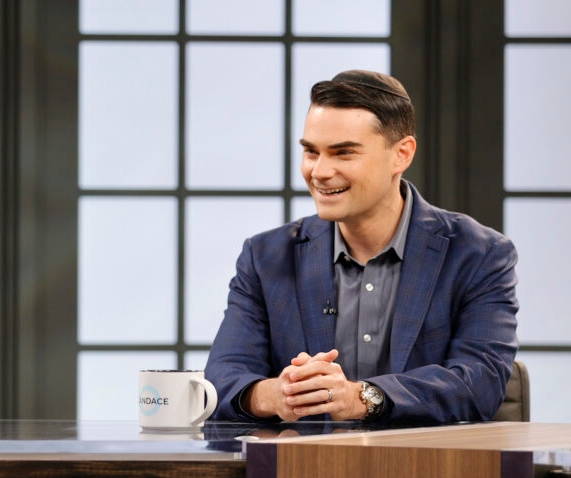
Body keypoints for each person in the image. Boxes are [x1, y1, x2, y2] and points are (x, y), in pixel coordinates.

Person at [205, 70, 518, 424]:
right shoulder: (265, 257)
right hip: (301, 473)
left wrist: (362, 398)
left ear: (402, 154)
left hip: (430, 471)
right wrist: (276, 394)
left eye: (343, 153)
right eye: (311, 152)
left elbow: (481, 383)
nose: (319, 172)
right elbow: (222, 378)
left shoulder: (479, 255)